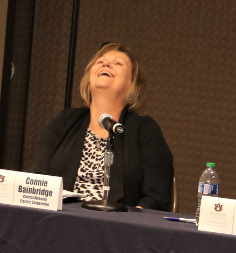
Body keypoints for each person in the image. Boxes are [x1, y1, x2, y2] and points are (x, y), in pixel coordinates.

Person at [33, 43, 174, 211]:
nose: (106, 64)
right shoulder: (63, 121)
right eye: (100, 61)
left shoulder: (145, 130)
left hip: (118, 230)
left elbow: (156, 198)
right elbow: (38, 182)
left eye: (118, 63)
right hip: (61, 223)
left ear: (132, 85)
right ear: (88, 81)